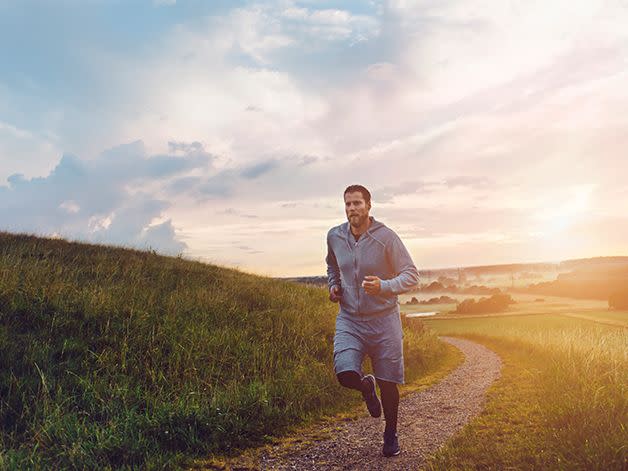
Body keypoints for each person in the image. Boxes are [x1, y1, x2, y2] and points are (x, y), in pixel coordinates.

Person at [325, 184, 419, 457]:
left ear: (368, 206)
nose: (352, 208)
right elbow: (332, 266)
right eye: (348, 204)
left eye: (357, 203)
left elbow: (411, 275)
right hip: (349, 319)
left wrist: (385, 286)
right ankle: (365, 386)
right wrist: (334, 286)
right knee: (344, 373)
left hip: (384, 320)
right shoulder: (334, 236)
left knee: (388, 382)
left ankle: (390, 434)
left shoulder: (386, 238)